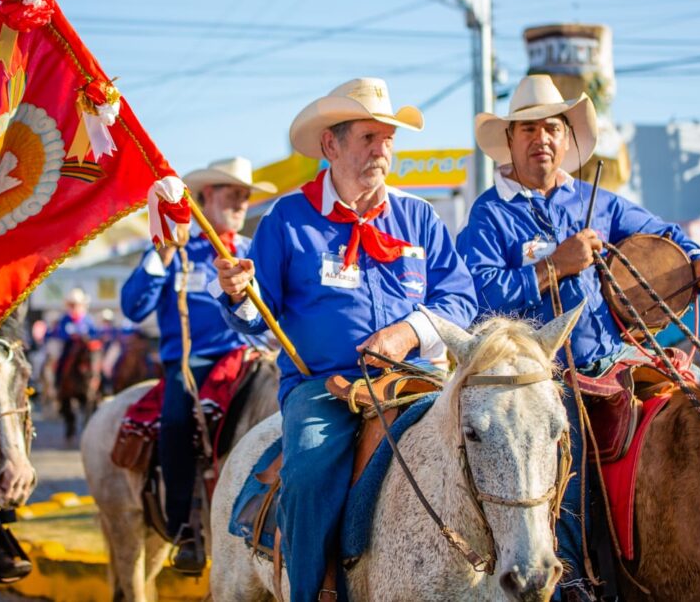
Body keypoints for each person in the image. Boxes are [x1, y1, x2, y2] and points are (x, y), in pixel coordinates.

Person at [455, 74, 700, 601]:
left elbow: (665, 235)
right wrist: (553, 268)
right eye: (530, 129)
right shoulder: (489, 214)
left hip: (612, 358)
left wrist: (698, 263)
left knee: (699, 409)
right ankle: (572, 586)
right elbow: (480, 299)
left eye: (553, 128)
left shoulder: (597, 200)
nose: (543, 138)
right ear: (510, 141)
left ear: (567, 138)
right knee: (569, 466)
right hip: (539, 379)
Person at [210, 78, 478, 601]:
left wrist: (407, 333)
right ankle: (310, 592)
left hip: (416, 381)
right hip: (323, 386)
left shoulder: (419, 216)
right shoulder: (287, 219)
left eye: (388, 139)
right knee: (309, 470)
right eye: (368, 138)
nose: (382, 150)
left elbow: (460, 298)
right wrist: (239, 292)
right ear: (331, 145)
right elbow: (253, 316)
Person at [121, 156, 276, 573]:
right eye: (232, 194)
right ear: (206, 196)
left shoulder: (252, 250)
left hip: (250, 358)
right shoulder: (174, 248)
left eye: (245, 196)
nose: (241, 203)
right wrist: (161, 255)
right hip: (193, 366)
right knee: (176, 422)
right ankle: (184, 529)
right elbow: (133, 308)